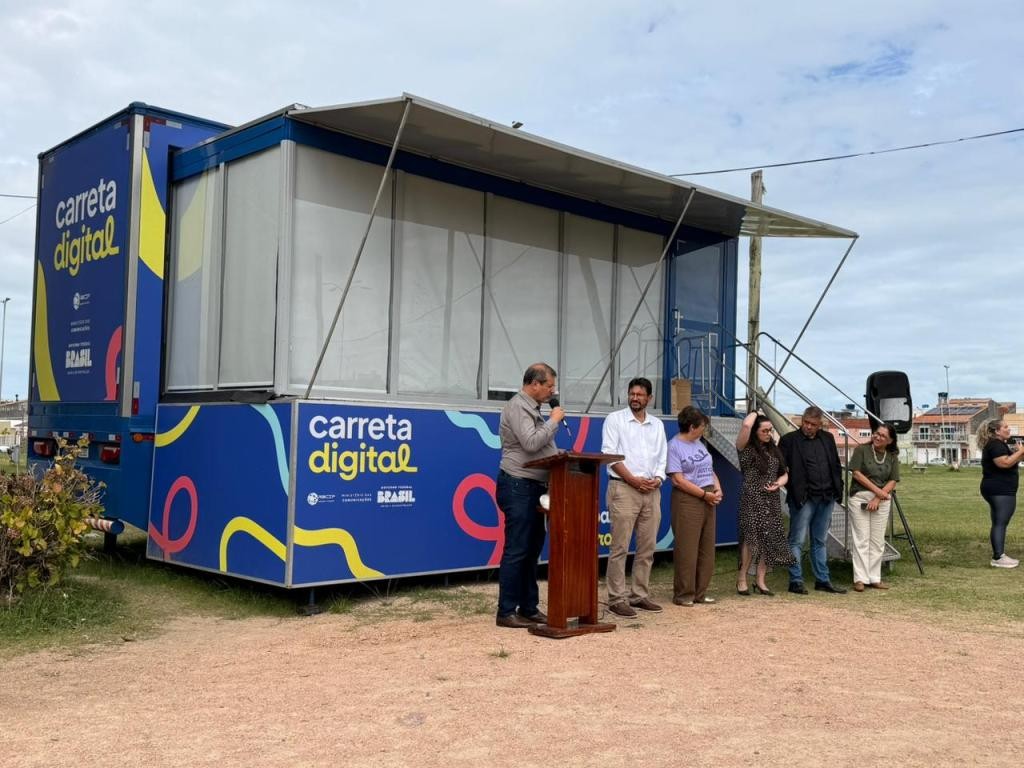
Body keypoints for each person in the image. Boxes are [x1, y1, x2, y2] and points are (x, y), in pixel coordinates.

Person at [494, 363, 564, 628]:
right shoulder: (517, 407)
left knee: (532, 550)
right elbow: (531, 442)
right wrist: (554, 421)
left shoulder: (533, 409)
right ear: (534, 384)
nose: (551, 391)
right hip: (518, 486)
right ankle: (506, 611)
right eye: (549, 386)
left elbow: (540, 445)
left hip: (536, 488)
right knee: (517, 549)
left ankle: (529, 608)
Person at [601, 377, 668, 618]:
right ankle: (617, 598)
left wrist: (658, 479)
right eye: (632, 394)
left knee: (647, 547)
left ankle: (639, 595)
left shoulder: (657, 425)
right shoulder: (615, 420)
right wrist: (633, 480)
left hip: (651, 491)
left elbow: (662, 457)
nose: (635, 398)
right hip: (624, 488)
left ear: (649, 398)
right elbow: (610, 455)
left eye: (640, 395)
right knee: (619, 547)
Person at [778, 406, 847, 595]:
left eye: (813, 424)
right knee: (796, 540)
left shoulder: (828, 438)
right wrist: (793, 489)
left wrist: (837, 489)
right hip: (803, 498)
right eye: (806, 422)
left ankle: (822, 580)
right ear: (802, 420)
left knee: (820, 540)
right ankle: (795, 580)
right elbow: (779, 468)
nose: (808, 427)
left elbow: (834, 464)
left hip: (826, 497)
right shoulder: (789, 441)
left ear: (820, 425)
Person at [734, 412, 795, 596]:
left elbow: (784, 473)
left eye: (770, 430)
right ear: (755, 431)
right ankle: (742, 577)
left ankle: (761, 579)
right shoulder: (745, 447)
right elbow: (745, 426)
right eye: (764, 430)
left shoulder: (773, 449)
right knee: (751, 540)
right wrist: (755, 411)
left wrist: (779, 483)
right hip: (752, 498)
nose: (769, 433)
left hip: (771, 500)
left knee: (769, 540)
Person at [667, 405, 721, 606]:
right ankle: (684, 594)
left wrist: (717, 488)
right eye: (702, 426)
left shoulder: (699, 443)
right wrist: (703, 494)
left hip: (708, 496)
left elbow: (709, 468)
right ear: (692, 427)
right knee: (687, 549)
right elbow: (678, 480)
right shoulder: (674, 446)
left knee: (707, 548)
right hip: (688, 499)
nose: (703, 430)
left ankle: (700, 592)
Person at [847, 423, 900, 591]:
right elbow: (856, 473)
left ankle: (874, 577)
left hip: (881, 501)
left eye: (883, 436)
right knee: (862, 538)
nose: (877, 437)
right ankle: (860, 578)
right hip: (860, 497)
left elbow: (893, 480)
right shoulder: (861, 450)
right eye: (877, 433)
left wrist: (878, 498)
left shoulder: (892, 456)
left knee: (877, 540)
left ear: (890, 440)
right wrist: (878, 491)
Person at [976, 419, 1024, 569]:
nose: (1008, 429)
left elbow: (1011, 460)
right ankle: (998, 557)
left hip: (999, 489)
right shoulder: (996, 445)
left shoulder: (998, 445)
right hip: (1000, 490)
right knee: (1000, 522)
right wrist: (1021, 452)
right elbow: (1004, 463)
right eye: (1005, 427)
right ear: (997, 431)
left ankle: (999, 555)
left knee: (999, 521)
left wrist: (1019, 453)